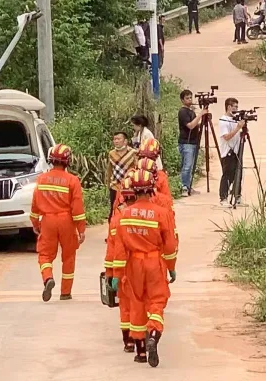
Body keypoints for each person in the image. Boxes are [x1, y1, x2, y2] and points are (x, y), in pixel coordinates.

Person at [111, 169, 177, 367]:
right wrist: (171, 267)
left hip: (133, 265)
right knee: (157, 301)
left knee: (137, 303)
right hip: (154, 262)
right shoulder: (161, 213)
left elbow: (119, 250)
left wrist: (116, 274)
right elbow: (170, 245)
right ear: (150, 190)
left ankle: (140, 353)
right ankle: (154, 335)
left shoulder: (124, 214)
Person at [30, 144, 87, 302]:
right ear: (68, 161)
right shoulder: (72, 180)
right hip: (66, 221)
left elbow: (35, 205)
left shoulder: (41, 179)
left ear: (51, 160)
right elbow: (77, 208)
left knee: (45, 255)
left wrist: (35, 223)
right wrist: (81, 229)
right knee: (69, 256)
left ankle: (48, 278)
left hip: (47, 220)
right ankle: (65, 292)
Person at [104, 176, 137, 353]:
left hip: (123, 270)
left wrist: (111, 273)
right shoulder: (153, 214)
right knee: (141, 303)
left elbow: (113, 249)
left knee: (125, 305)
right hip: (145, 268)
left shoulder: (117, 219)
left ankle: (129, 342)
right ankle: (142, 339)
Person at [178, 89, 210, 197]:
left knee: (191, 166)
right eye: (187, 98)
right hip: (186, 142)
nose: (190, 100)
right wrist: (201, 114)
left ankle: (188, 186)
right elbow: (190, 125)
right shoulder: (182, 112)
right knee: (186, 166)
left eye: (191, 97)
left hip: (193, 141)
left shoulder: (191, 111)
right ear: (182, 100)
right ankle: (184, 187)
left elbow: (196, 125)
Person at [217, 98, 246, 208]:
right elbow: (227, 137)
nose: (236, 109)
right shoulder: (223, 121)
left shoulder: (235, 119)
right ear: (229, 107)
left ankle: (237, 196)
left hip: (237, 151)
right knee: (227, 175)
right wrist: (238, 127)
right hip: (228, 152)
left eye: (237, 107)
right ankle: (223, 198)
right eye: (234, 107)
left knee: (238, 174)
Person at [106, 132, 138, 221]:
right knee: (114, 209)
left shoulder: (133, 153)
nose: (116, 141)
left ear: (125, 141)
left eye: (118, 139)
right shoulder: (111, 154)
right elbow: (109, 170)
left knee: (129, 209)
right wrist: (108, 184)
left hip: (129, 187)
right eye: (114, 139)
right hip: (115, 186)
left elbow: (137, 168)